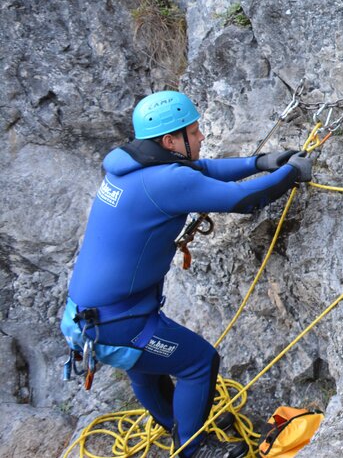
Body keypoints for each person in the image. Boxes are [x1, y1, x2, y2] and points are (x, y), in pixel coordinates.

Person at [61, 90, 313, 458]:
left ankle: (181, 425)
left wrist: (261, 162)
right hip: (118, 322)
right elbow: (239, 201)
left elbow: (203, 170)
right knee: (199, 361)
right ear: (170, 141)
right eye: (193, 133)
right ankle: (193, 448)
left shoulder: (134, 169)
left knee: (146, 370)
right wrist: (290, 173)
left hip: (95, 315)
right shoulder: (161, 181)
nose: (201, 137)